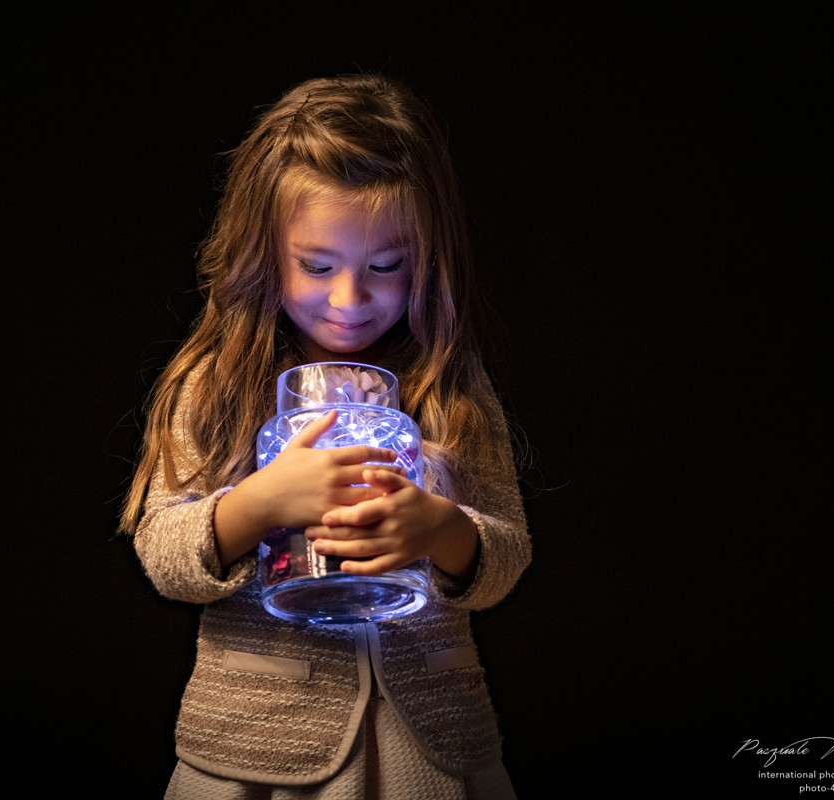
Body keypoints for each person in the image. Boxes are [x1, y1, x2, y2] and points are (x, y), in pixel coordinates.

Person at [120, 74, 532, 799]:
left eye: (385, 266)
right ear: (264, 251)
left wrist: (439, 528)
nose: (350, 298)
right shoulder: (217, 382)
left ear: (426, 257)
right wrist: (256, 506)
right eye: (317, 265)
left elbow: (507, 554)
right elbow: (162, 552)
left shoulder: (450, 386)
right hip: (256, 745)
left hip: (430, 744)